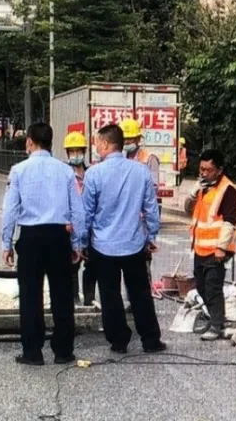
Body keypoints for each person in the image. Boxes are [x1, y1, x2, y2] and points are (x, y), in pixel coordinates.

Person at [1, 122, 86, 366]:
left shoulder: (18, 170)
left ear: (29, 142)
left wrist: (7, 243)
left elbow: (10, 210)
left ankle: (32, 352)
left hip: (30, 238)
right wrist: (77, 243)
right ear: (50, 143)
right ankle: (63, 351)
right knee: (62, 295)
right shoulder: (65, 171)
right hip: (59, 236)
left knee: (30, 295)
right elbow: (77, 211)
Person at [81, 123, 166, 354]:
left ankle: (119, 341)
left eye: (97, 143)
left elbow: (86, 213)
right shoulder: (140, 171)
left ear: (106, 144)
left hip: (103, 245)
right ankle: (150, 340)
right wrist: (151, 235)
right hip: (133, 243)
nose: (96, 147)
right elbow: (151, 208)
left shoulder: (94, 173)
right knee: (140, 293)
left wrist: (81, 242)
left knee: (110, 295)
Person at [186, 149, 236, 341]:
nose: (204, 173)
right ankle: (215, 319)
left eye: (209, 170)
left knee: (212, 288)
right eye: (201, 169)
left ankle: (217, 325)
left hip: (216, 249)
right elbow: (188, 210)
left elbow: (229, 221)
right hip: (200, 247)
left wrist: (221, 248)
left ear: (219, 170)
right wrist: (194, 191)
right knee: (201, 287)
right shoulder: (203, 187)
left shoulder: (228, 190)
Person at [120, 117, 161, 288]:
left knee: (143, 261)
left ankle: (144, 294)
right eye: (124, 140)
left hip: (142, 218)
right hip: (126, 217)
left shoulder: (149, 158)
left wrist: (152, 231)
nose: (127, 143)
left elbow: (153, 189)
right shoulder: (121, 159)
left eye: (130, 139)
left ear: (138, 139)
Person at [64, 131, 97, 306]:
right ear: (67, 153)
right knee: (72, 265)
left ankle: (89, 299)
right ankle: (74, 299)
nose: (76, 154)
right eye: (72, 151)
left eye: (78, 151)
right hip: (72, 227)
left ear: (84, 152)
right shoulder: (64, 174)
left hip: (90, 227)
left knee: (91, 265)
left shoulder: (92, 173)